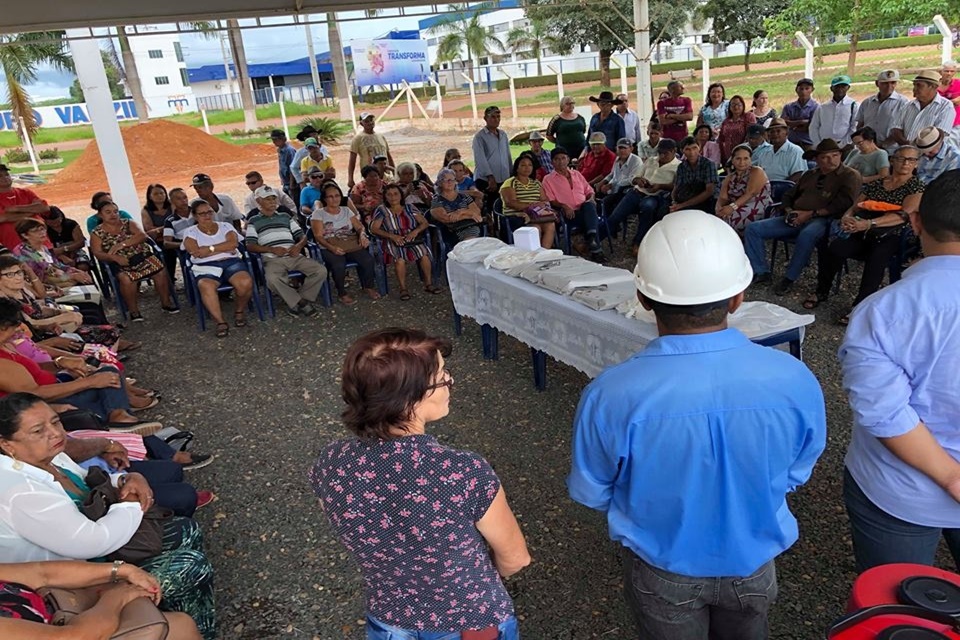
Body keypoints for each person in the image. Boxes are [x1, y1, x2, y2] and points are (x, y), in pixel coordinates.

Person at [569, 210, 826, 640]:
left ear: (644, 298)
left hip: (664, 567)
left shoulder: (611, 393)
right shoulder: (793, 377)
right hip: (754, 564)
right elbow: (798, 469)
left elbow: (593, 490)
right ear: (738, 296)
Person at [310, 328, 530, 639]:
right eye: (442, 376)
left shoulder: (331, 462)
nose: (450, 381)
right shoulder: (463, 472)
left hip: (388, 619)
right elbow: (515, 558)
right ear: (410, 397)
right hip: (470, 622)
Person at [0, 393, 217, 639]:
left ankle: (179, 622)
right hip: (71, 581)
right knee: (189, 566)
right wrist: (131, 502)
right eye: (38, 431)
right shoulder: (19, 492)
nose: (55, 433)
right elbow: (93, 542)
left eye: (56, 422)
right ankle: (175, 627)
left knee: (186, 530)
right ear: (7, 445)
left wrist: (126, 479)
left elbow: (88, 482)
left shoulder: (49, 456)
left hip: (96, 556)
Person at [839, 169, 960, 573]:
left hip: (899, 491)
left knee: (902, 613)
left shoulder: (882, 311)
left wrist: (951, 478)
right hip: (901, 491)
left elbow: (886, 411)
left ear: (916, 221)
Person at [0, 297, 155, 431]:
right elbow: (33, 394)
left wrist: (61, 364)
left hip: (55, 387)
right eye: (13, 328)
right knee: (105, 384)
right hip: (45, 404)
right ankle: (120, 417)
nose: (18, 331)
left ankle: (120, 416)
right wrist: (88, 383)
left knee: (106, 372)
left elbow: (33, 370)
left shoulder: (7, 345)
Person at [805, 145, 924, 320]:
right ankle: (822, 290)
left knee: (877, 259)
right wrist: (847, 217)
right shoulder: (878, 183)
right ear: (892, 161)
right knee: (835, 248)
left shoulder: (916, 187)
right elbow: (855, 206)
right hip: (863, 229)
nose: (905, 163)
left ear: (916, 164)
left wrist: (869, 223)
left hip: (893, 233)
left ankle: (860, 306)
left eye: (911, 159)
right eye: (901, 158)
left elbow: (903, 215)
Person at [745, 139, 862, 295]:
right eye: (825, 157)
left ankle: (789, 278)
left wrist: (810, 214)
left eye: (835, 155)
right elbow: (789, 194)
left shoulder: (849, 175)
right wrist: (788, 210)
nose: (831, 160)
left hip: (824, 219)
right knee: (753, 229)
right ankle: (761, 271)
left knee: (807, 234)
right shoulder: (810, 174)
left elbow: (843, 204)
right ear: (817, 159)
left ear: (840, 155)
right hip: (797, 215)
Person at [0, 559, 203, 639]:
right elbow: (75, 637)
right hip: (79, 631)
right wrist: (115, 599)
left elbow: (42, 573)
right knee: (180, 627)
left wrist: (121, 570)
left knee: (178, 623)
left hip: (68, 613)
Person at [245, 185, 327, 318]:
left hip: (293, 254)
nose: (272, 202)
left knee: (320, 271)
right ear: (258, 201)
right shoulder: (254, 221)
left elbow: (303, 236)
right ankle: (301, 302)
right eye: (268, 199)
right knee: (272, 279)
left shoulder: (285, 216)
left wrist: (298, 246)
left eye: (273, 199)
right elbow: (250, 245)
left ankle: (296, 302)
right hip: (272, 258)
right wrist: (271, 249)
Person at [90, 201, 178, 322]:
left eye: (115, 211)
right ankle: (134, 311)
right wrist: (115, 258)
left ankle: (166, 303)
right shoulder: (97, 232)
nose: (113, 215)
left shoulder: (128, 223)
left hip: (142, 255)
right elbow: (97, 253)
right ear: (100, 215)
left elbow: (142, 236)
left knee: (160, 270)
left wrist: (122, 244)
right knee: (126, 279)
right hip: (120, 262)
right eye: (108, 212)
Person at [180, 199, 255, 337]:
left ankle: (239, 311)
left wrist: (209, 249)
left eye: (209, 212)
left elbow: (233, 244)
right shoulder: (190, 232)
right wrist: (223, 247)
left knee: (245, 282)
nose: (207, 215)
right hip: (205, 266)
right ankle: (220, 322)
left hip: (230, 262)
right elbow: (196, 252)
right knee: (205, 285)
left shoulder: (225, 226)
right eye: (202, 214)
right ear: (195, 216)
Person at [604, 139, 680, 255]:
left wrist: (660, 186)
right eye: (660, 152)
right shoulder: (650, 160)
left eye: (666, 153)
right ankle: (594, 240)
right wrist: (638, 180)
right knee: (615, 216)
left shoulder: (678, 166)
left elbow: (676, 186)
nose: (662, 156)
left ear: (674, 151)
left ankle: (638, 243)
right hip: (637, 192)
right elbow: (635, 177)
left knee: (648, 208)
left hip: (656, 196)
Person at [310, 182, 380, 305]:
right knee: (338, 264)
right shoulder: (318, 213)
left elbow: (359, 227)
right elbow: (318, 236)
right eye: (330, 196)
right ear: (324, 199)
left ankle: (368, 286)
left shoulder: (346, 210)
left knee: (368, 260)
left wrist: (362, 235)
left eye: (337, 195)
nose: (334, 199)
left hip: (348, 242)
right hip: (328, 245)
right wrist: (332, 248)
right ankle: (342, 292)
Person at [371, 183, 439, 300]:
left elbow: (424, 223)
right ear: (385, 197)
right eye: (389, 195)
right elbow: (374, 228)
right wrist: (392, 236)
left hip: (411, 238)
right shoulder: (382, 210)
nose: (393, 197)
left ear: (401, 195)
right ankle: (403, 288)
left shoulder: (409, 207)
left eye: (396, 194)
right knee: (400, 259)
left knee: (424, 254)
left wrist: (415, 232)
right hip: (392, 239)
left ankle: (428, 284)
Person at [542, 146, 605, 262]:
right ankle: (595, 246)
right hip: (567, 213)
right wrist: (564, 206)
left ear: (568, 159)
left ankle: (591, 239)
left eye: (563, 158)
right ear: (552, 162)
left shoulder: (576, 174)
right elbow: (550, 199)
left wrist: (591, 198)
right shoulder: (548, 179)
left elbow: (589, 190)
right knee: (592, 218)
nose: (560, 161)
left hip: (584, 210)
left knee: (589, 205)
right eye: (557, 159)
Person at [499, 155, 557, 249]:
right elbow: (511, 202)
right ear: (517, 168)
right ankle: (534, 255)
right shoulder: (510, 182)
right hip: (516, 216)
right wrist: (531, 206)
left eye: (530, 165)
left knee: (550, 225)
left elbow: (544, 200)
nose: (527, 168)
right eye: (523, 165)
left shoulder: (536, 182)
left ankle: (544, 254)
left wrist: (540, 208)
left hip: (536, 215)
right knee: (535, 228)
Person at [13, 219, 93, 287]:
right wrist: (72, 276)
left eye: (42, 229)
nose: (42, 232)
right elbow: (45, 276)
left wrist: (77, 271)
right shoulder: (23, 252)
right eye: (36, 231)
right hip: (44, 287)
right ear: (25, 235)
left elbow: (58, 265)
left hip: (60, 280)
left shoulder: (43, 248)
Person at [890, 70, 956, 148]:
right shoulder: (907, 106)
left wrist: (917, 147)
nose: (914, 89)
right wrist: (907, 145)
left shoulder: (946, 106)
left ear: (933, 87)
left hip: (930, 156)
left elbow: (940, 134)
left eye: (919, 85)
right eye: (914, 85)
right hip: (907, 153)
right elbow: (896, 129)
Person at [716, 144, 772, 233]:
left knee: (728, 221)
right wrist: (719, 209)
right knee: (716, 219)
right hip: (736, 207)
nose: (742, 162)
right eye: (738, 158)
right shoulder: (730, 177)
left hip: (757, 208)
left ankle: (738, 245)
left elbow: (750, 193)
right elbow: (722, 198)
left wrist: (731, 208)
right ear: (733, 160)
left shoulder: (757, 171)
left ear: (750, 160)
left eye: (746, 158)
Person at [472, 106, 512, 215]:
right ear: (485, 118)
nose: (496, 119)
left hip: (503, 179)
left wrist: (511, 175)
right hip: (487, 181)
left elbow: (507, 156)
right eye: (493, 117)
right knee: (490, 209)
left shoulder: (503, 135)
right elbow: (480, 159)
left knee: (503, 208)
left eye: (498, 116)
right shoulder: (480, 137)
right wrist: (490, 177)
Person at [0, 164, 49, 252]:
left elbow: (44, 207)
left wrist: (16, 208)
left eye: (7, 174)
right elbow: (3, 217)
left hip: (42, 243)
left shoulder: (25, 192)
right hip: (15, 247)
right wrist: (32, 212)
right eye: (0, 176)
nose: (5, 178)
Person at [858, 69, 908, 152]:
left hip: (891, 150)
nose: (889, 86)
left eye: (893, 83)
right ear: (877, 83)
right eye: (885, 83)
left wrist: (883, 145)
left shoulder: (903, 103)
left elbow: (903, 129)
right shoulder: (867, 103)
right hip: (868, 149)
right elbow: (860, 124)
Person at [430, 168, 484, 245]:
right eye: (446, 180)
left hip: (471, 226)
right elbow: (447, 219)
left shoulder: (464, 196)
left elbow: (477, 212)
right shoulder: (437, 201)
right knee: (472, 242)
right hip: (452, 231)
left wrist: (460, 212)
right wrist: (470, 215)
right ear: (440, 183)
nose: (450, 182)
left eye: (452, 180)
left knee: (474, 238)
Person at [669, 136, 719, 214]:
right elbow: (676, 188)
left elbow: (709, 191)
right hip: (686, 199)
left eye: (694, 148)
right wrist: (674, 202)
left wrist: (681, 205)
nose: (692, 153)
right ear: (682, 151)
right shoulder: (681, 167)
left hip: (707, 201)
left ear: (699, 148)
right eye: (687, 149)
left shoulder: (708, 164)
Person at [596, 137, 642, 220]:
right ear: (616, 149)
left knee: (605, 202)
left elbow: (632, 180)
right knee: (595, 196)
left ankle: (609, 226)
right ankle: (598, 224)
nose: (622, 150)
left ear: (631, 149)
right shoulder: (617, 159)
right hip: (614, 189)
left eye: (625, 148)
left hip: (625, 192)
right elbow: (612, 174)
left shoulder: (636, 161)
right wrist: (604, 181)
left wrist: (611, 185)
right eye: (620, 148)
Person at [809, 75, 859, 151]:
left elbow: (854, 127)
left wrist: (842, 144)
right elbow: (814, 127)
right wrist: (818, 144)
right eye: (837, 86)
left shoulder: (854, 105)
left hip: (845, 147)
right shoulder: (823, 107)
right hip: (824, 147)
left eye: (843, 86)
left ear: (848, 88)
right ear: (831, 88)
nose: (840, 89)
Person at [751, 118, 808, 183]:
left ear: (786, 133)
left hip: (786, 189)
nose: (775, 134)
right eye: (772, 132)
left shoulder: (795, 151)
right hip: (765, 187)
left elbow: (798, 175)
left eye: (778, 131)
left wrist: (782, 187)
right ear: (768, 135)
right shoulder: (764, 152)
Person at [348, 112, 394, 189]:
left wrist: (394, 172)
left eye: (371, 120)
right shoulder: (358, 139)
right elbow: (352, 160)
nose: (370, 123)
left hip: (385, 174)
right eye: (366, 121)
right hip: (369, 176)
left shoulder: (381, 137)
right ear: (361, 124)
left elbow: (388, 155)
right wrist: (350, 179)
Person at [44, 206, 91, 272]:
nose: (55, 225)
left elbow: (80, 242)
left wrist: (63, 249)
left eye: (58, 221)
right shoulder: (43, 230)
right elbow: (48, 250)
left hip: (75, 252)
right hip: (55, 256)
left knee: (82, 266)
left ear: (61, 217)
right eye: (52, 223)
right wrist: (62, 256)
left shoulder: (71, 224)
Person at [717, 95, 757, 165]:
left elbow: (751, 134)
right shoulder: (726, 121)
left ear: (743, 105)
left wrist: (740, 150)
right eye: (733, 104)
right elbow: (721, 139)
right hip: (728, 156)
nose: (736, 107)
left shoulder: (748, 117)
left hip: (744, 155)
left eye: (738, 104)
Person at [782, 78, 819, 150]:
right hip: (791, 143)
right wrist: (802, 122)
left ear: (812, 89)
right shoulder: (788, 107)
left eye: (807, 88)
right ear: (796, 90)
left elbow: (811, 127)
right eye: (801, 89)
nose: (804, 91)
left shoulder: (816, 107)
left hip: (808, 144)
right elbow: (783, 123)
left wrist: (792, 125)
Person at [161, 187, 195, 258]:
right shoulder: (170, 221)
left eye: (185, 197)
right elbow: (166, 243)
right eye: (179, 199)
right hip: (186, 253)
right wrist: (184, 244)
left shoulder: (197, 212)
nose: (183, 201)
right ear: (171, 201)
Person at [269, 129, 297, 197]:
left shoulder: (289, 151)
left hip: (292, 183)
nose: (273, 142)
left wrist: (291, 183)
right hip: (286, 182)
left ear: (282, 139)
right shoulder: (280, 151)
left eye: (275, 140)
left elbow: (292, 168)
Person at [939, 61, 960, 145]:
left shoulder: (958, 84)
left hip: (955, 123)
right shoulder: (935, 85)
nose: (949, 73)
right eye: (946, 71)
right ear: (941, 72)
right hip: (939, 123)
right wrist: (952, 102)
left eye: (952, 71)